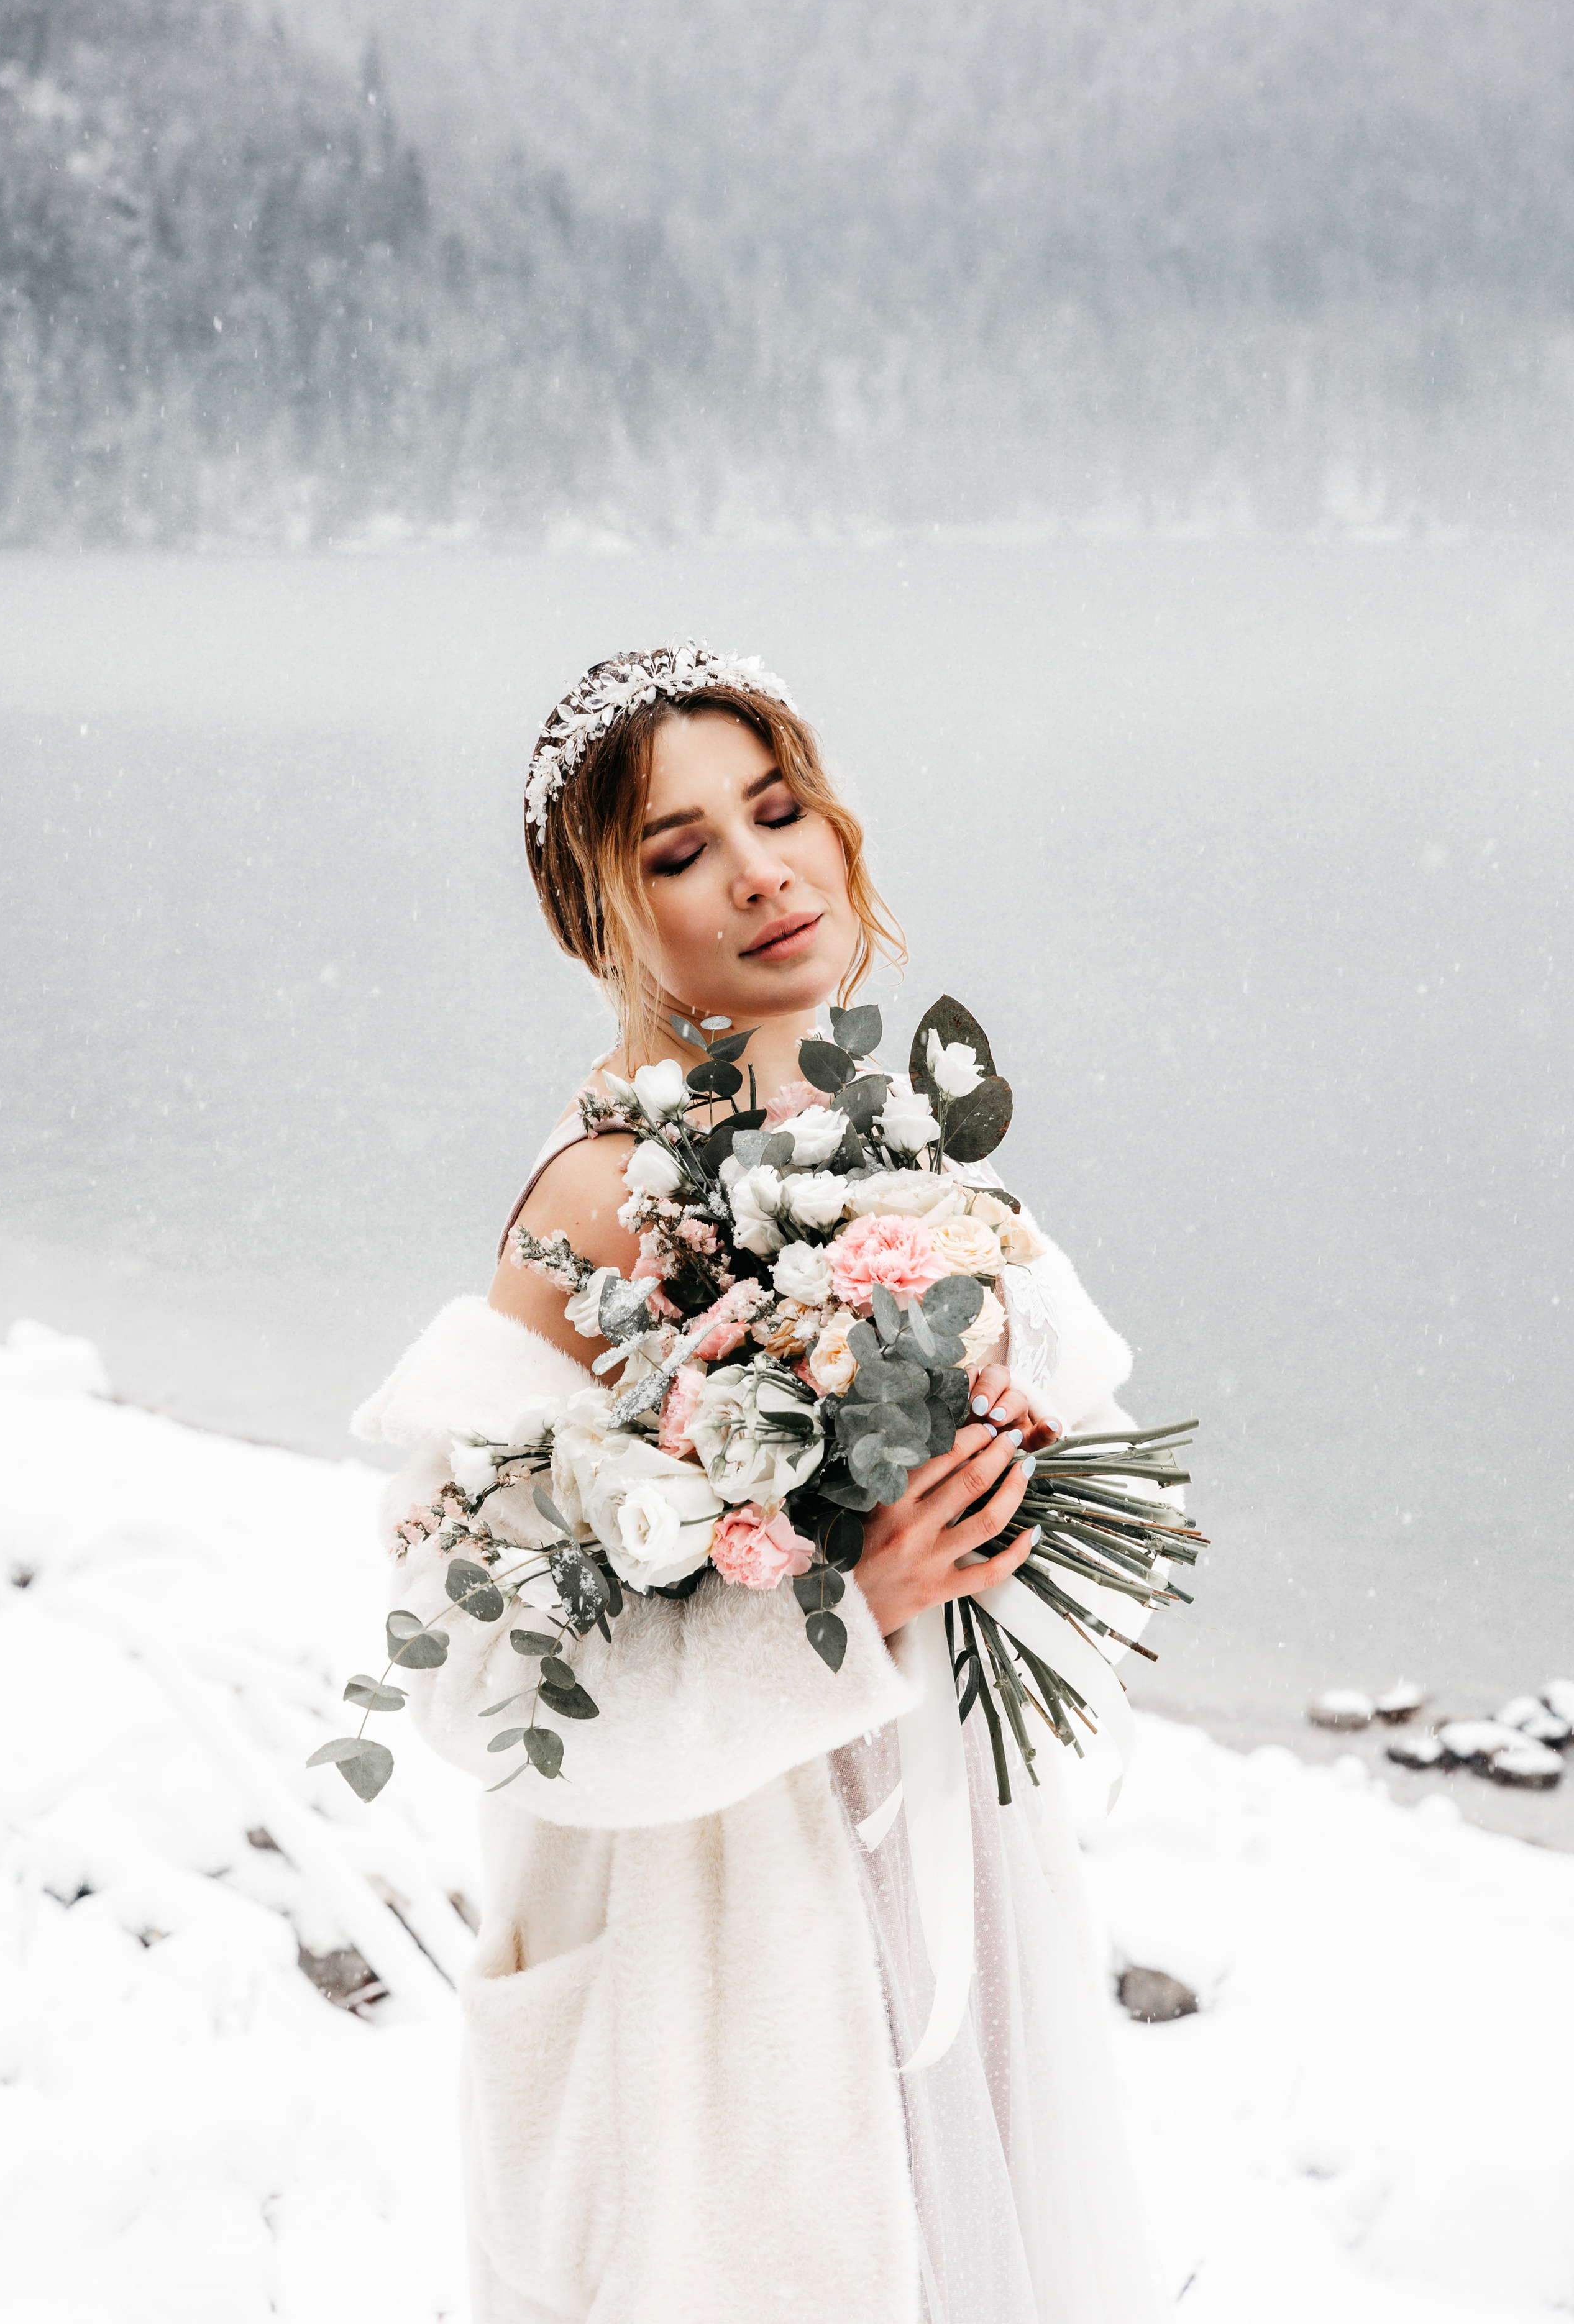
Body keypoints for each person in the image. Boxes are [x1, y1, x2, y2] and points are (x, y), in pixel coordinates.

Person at [352, 647, 1167, 2324]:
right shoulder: (595, 1197)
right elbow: (477, 1654)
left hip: (950, 1860)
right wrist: (834, 1610)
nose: (758, 870)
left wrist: (1000, 1467)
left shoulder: (904, 1151)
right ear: (605, 924)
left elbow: (1099, 1509)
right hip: (724, 1931)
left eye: (776, 809)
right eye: (677, 851)